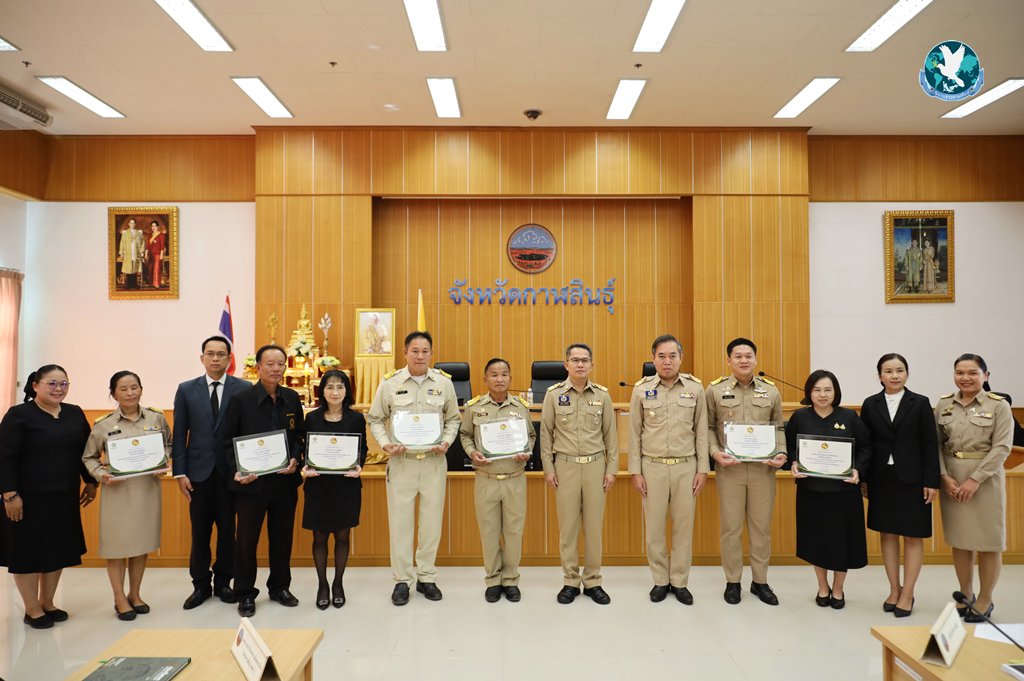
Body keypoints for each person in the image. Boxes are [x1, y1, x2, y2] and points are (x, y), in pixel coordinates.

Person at [367, 331, 460, 606]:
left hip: (433, 462)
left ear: (431, 353)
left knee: (431, 523)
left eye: (425, 351)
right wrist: (385, 444)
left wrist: (446, 441)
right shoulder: (390, 383)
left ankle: (426, 576)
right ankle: (402, 580)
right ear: (405, 353)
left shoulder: (444, 383)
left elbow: (454, 419)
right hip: (402, 463)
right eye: (415, 351)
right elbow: (375, 418)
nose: (420, 356)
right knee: (400, 524)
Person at [0, 365, 96, 629]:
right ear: (35, 386)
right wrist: (9, 494)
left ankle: (48, 602)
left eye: (64, 383)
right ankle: (32, 609)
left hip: (64, 496)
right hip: (26, 499)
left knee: (56, 549)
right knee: (28, 553)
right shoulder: (19, 415)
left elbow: (85, 453)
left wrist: (91, 481)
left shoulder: (74, 413)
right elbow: (4, 457)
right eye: (52, 383)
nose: (58, 389)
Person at [221, 344, 305, 617]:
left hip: (284, 483)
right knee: (246, 541)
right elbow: (226, 440)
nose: (276, 369)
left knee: (282, 538)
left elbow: (299, 436)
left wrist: (295, 458)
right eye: (270, 364)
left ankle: (280, 587)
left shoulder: (292, 398)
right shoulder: (240, 399)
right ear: (258, 367)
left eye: (281, 364)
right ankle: (245, 592)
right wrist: (237, 470)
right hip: (251, 485)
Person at [705, 338, 787, 605]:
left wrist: (782, 453)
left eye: (748, 356)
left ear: (755, 359)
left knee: (761, 528)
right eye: (738, 356)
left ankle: (760, 581)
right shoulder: (715, 390)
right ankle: (733, 581)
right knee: (731, 529)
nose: (743, 360)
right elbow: (707, 427)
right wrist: (715, 452)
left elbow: (778, 427)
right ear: (728, 360)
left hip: (763, 470)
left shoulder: (770, 391)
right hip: (731, 470)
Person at [83, 371, 170, 621]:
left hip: (147, 490)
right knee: (117, 547)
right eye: (123, 389)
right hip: (117, 492)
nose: (130, 393)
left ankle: (135, 594)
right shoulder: (103, 424)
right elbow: (89, 457)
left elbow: (169, 444)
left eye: (134, 387)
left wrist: (163, 461)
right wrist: (102, 475)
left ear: (141, 389)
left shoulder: (156, 417)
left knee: (141, 544)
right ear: (113, 394)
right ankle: (119, 597)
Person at [171, 335, 249, 610]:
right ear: (202, 357)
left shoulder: (244, 388)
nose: (215, 358)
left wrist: (246, 467)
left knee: (228, 531)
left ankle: (224, 582)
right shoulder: (186, 389)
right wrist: (179, 472)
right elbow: (179, 433)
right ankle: (200, 585)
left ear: (229, 358)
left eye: (221, 354)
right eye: (210, 353)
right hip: (197, 473)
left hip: (230, 472)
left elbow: (246, 431)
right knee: (200, 532)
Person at [629, 335, 708, 605]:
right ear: (653, 359)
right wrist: (636, 471)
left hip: (686, 467)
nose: (667, 361)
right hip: (652, 467)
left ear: (681, 358)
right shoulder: (641, 390)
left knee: (683, 528)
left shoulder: (695, 388)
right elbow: (634, 433)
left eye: (672, 356)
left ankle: (680, 581)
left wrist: (702, 469)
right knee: (654, 528)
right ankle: (660, 580)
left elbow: (701, 431)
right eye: (661, 356)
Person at [935, 354, 1013, 622]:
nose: (965, 378)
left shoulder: (998, 406)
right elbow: (935, 444)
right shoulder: (944, 404)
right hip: (952, 479)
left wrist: (975, 479)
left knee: (989, 542)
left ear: (985, 376)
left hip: (985, 480)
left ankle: (985, 598)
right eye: (960, 372)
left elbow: (1002, 447)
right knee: (961, 540)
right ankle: (966, 593)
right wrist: (944, 476)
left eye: (972, 373)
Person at [859, 353, 939, 617]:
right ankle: (894, 589)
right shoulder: (870, 404)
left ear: (907, 373)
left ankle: (908, 593)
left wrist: (931, 481)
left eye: (899, 370)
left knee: (913, 536)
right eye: (888, 371)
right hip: (881, 478)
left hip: (914, 480)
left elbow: (930, 445)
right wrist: (865, 479)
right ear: (879, 376)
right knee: (887, 535)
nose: (894, 376)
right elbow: (865, 444)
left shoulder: (920, 403)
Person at [786, 370, 871, 609]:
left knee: (842, 542)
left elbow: (866, 448)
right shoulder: (800, 417)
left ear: (836, 392)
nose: (822, 395)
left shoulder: (849, 417)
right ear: (809, 392)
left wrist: (858, 470)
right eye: (817, 390)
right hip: (811, 491)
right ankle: (822, 586)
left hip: (843, 493)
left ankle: (838, 588)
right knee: (816, 540)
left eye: (827, 390)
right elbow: (790, 447)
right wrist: (793, 462)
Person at [540, 343, 617, 605]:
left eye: (585, 360)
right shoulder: (553, 395)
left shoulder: (602, 396)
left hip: (595, 466)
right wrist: (549, 468)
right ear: (566, 364)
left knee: (594, 529)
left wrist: (611, 469)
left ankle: (593, 580)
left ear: (592, 364)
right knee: (568, 528)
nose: (580, 364)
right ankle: (570, 581)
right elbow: (545, 434)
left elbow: (611, 436)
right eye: (575, 360)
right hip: (565, 466)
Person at [459, 358, 535, 603]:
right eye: (494, 374)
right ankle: (493, 580)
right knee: (489, 533)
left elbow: (531, 435)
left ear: (510, 378)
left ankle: (510, 580)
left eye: (504, 374)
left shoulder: (521, 407)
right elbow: (465, 434)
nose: (499, 379)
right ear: (485, 379)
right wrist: (472, 452)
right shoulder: (474, 407)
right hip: (486, 479)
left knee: (514, 532)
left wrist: (526, 450)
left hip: (514, 478)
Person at [301, 370, 365, 610]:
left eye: (340, 387)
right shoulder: (312, 418)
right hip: (318, 486)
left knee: (342, 536)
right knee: (319, 537)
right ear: (322, 391)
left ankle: (338, 583)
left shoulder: (356, 418)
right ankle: (322, 585)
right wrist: (306, 465)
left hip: (346, 486)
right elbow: (305, 448)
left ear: (347, 391)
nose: (335, 392)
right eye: (330, 387)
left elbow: (362, 449)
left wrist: (359, 465)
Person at [118, 218, 145, 290]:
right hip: (128, 253)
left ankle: (134, 284)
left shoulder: (139, 233)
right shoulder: (125, 233)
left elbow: (142, 242)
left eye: (133, 223)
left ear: (135, 224)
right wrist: (121, 253)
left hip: (136, 253)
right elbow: (122, 243)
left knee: (135, 269)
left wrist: (142, 251)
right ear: (129, 224)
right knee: (129, 269)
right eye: (131, 223)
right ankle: (129, 285)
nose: (132, 224)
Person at [146, 220, 165, 288]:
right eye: (152, 226)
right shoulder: (149, 235)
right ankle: (151, 283)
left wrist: (161, 254)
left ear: (157, 227)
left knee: (156, 269)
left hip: (157, 254)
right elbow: (148, 245)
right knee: (150, 269)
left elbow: (162, 245)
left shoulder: (161, 235)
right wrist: (146, 253)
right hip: (151, 254)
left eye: (155, 226)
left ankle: (156, 283)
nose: (153, 227)